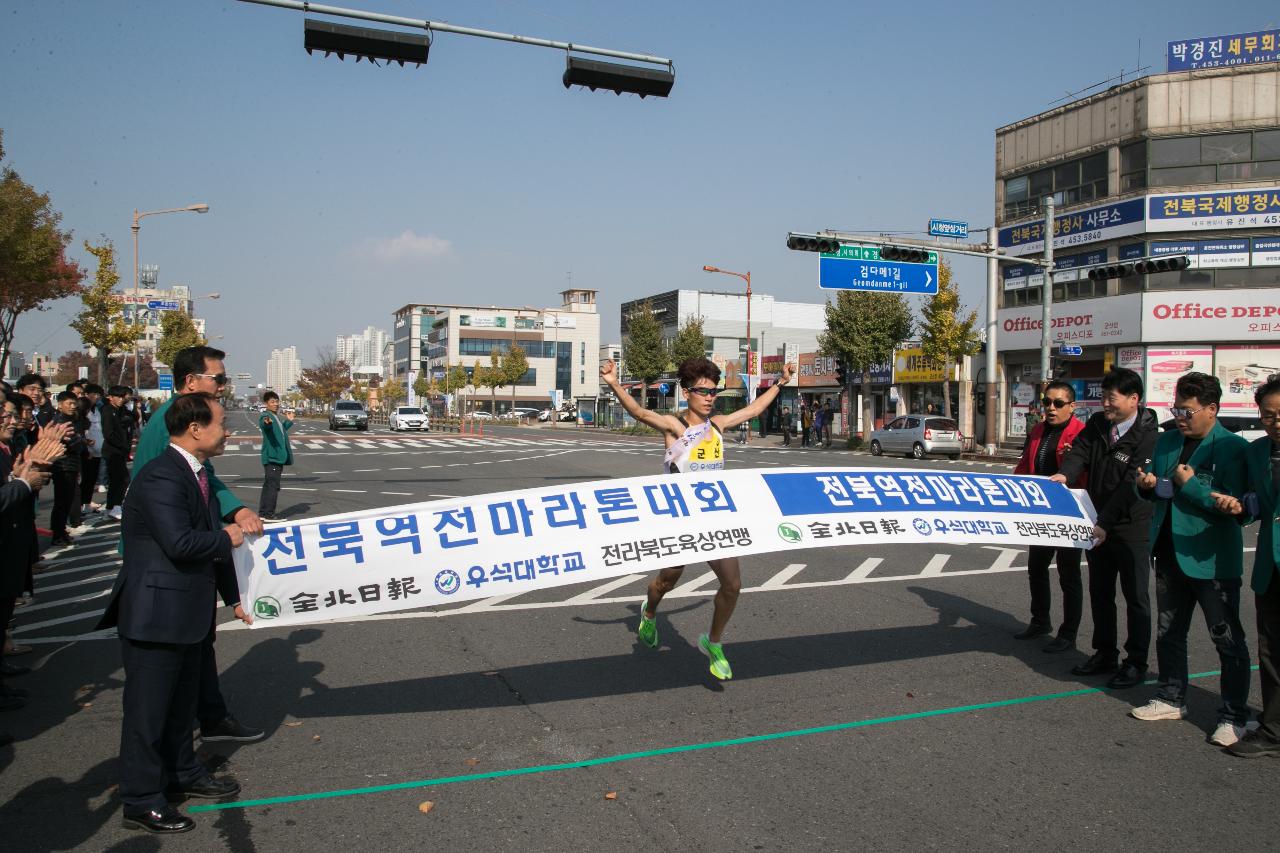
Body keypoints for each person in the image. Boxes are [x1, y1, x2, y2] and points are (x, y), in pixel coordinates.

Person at [97, 393, 248, 833]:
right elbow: (182, 543)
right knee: (149, 713)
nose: (227, 430)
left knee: (181, 706)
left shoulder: (194, 473)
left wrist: (234, 597)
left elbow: (205, 541)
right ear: (195, 428)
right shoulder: (162, 476)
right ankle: (142, 799)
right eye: (221, 423)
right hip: (156, 614)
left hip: (187, 612)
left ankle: (183, 772)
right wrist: (230, 536)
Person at [600, 356, 796, 680]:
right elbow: (639, 412)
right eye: (703, 392)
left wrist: (780, 383)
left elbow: (754, 410)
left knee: (732, 584)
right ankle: (649, 613)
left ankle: (713, 642)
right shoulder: (675, 427)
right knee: (666, 581)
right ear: (686, 392)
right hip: (681, 521)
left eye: (713, 392)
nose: (709, 398)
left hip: (714, 521)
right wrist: (612, 382)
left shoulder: (717, 425)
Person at [128, 345, 264, 744]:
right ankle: (173, 751)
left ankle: (208, 718)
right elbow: (165, 497)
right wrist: (226, 528)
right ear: (190, 382)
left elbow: (204, 481)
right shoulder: (165, 429)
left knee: (199, 646)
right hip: (164, 567)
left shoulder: (193, 433)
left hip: (188, 559)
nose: (223, 386)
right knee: (170, 669)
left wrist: (235, 510)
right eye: (218, 379)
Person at [1128, 372, 1251, 746]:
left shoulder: (1232, 448)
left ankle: (1234, 715)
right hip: (1167, 552)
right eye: (1176, 408)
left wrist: (1190, 485)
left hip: (1211, 559)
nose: (1180, 416)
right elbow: (1157, 486)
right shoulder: (1167, 441)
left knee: (1226, 639)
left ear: (1212, 409)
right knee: (1169, 632)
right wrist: (1146, 486)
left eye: (1188, 410)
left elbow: (1236, 508)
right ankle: (1170, 696)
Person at [1053, 367, 1159, 689]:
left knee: (1136, 596)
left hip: (1130, 528)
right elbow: (1080, 453)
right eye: (1104, 397)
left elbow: (1131, 486)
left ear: (1133, 399)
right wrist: (1065, 476)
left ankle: (1136, 662)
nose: (1105, 404)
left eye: (1111, 398)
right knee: (1100, 592)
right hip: (1098, 525)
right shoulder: (1099, 425)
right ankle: (1105, 653)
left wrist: (1105, 523)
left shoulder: (1149, 436)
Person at [1218, 378, 1280, 757]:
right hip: (1270, 568)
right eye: (1269, 415)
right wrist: (1241, 508)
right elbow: (1256, 503)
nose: (1275, 422)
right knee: (1271, 652)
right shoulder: (1258, 453)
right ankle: (1273, 730)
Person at [0, 392, 65, 737]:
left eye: (11, 413)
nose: (11, 419)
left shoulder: (10, 446)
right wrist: (24, 482)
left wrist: (28, 470)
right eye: (5, 413)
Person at [1013, 380, 1085, 653]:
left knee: (1068, 574)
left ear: (1072, 406)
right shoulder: (1038, 431)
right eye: (1047, 402)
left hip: (1069, 513)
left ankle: (1068, 633)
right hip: (1039, 511)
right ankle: (1040, 621)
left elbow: (1089, 475)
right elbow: (1023, 466)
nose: (1051, 408)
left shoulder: (1082, 433)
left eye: (1058, 403)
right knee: (1037, 567)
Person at [48, 390, 87, 545]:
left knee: (67, 500)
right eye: (69, 403)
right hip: (62, 465)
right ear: (59, 405)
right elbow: (75, 444)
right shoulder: (59, 422)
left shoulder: (72, 420)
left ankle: (61, 531)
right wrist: (80, 441)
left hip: (71, 464)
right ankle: (57, 534)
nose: (72, 406)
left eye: (74, 403)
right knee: (62, 501)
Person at [257, 390, 294, 521]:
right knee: (272, 486)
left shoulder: (275, 416)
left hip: (276, 456)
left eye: (277, 401)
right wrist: (266, 422)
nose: (276, 404)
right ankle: (268, 514)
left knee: (269, 485)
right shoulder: (266, 416)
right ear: (266, 403)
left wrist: (288, 421)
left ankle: (263, 513)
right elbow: (264, 424)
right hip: (272, 456)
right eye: (272, 402)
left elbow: (280, 432)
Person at [100, 385, 132, 520]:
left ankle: (110, 508)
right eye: (118, 396)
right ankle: (117, 506)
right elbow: (108, 433)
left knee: (115, 481)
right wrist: (122, 444)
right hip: (113, 451)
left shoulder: (121, 410)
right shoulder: (108, 411)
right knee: (122, 479)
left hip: (120, 451)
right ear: (110, 397)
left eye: (122, 396)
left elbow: (132, 419)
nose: (120, 399)